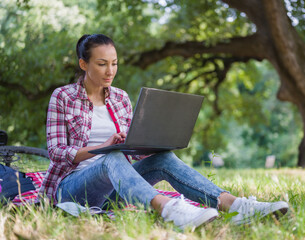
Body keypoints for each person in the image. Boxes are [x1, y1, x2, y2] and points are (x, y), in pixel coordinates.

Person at [39, 34, 288, 230]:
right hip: (72, 189)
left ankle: (236, 207)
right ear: (83, 64)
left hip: (114, 190)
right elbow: (56, 152)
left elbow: (133, 157)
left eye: (114, 63)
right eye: (102, 64)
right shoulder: (63, 97)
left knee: (164, 158)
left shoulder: (120, 98)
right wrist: (103, 147)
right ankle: (169, 210)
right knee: (110, 157)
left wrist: (146, 142)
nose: (110, 71)